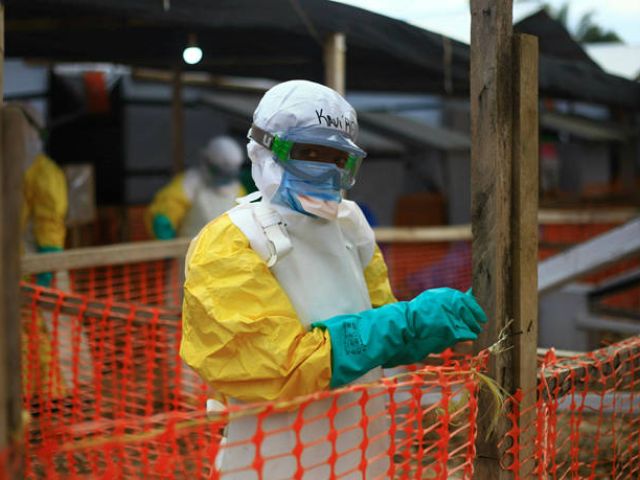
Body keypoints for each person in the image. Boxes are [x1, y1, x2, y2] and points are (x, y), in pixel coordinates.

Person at [180, 80, 487, 479]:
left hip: (361, 451)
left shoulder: (350, 224)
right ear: (263, 150)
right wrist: (403, 324)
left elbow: (380, 324)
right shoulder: (229, 242)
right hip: (273, 462)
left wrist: (426, 326)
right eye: (309, 154)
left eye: (338, 158)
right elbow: (279, 368)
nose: (326, 171)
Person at [146, 135, 246, 240]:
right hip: (188, 248)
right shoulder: (189, 182)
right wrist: (164, 224)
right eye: (219, 172)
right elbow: (168, 208)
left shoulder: (238, 190)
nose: (223, 178)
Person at [18, 103, 68, 287]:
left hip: (29, 263)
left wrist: (49, 258)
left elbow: (49, 222)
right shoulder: (32, 170)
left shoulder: (43, 172)